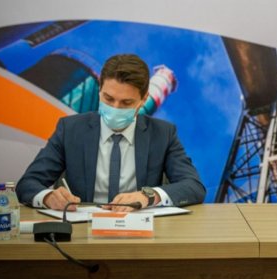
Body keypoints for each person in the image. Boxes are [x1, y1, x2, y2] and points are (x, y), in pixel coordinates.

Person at [16, 54, 206, 212]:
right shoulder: (70, 129)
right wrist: (49, 197)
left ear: (143, 99)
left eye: (126, 103)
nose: (115, 108)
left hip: (140, 234)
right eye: (108, 98)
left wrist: (148, 196)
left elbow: (193, 186)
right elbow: (28, 183)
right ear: (99, 90)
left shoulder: (163, 134)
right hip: (81, 234)